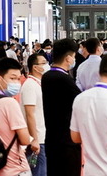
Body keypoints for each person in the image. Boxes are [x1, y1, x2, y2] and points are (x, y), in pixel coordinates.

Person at [0, 58, 31, 176]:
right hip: (13, 168)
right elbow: (25, 139)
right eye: (12, 78)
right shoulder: (9, 103)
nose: (17, 83)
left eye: (18, 79)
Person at [42, 38, 81, 176]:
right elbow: (80, 101)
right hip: (67, 141)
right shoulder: (64, 79)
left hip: (52, 138)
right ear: (68, 58)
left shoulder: (47, 76)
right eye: (74, 56)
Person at [20, 53, 49, 176]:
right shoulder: (30, 85)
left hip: (43, 135)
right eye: (44, 63)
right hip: (38, 138)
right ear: (35, 67)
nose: (47, 65)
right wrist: (34, 139)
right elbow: (29, 114)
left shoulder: (39, 83)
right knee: (39, 172)